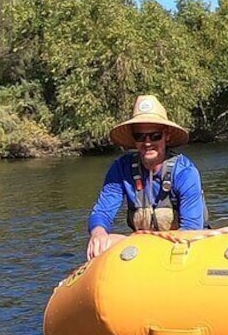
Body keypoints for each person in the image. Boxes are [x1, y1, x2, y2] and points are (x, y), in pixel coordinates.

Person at [86, 94, 208, 260]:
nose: (148, 142)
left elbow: (191, 229)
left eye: (155, 135)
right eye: (140, 136)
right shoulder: (120, 168)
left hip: (183, 249)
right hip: (143, 250)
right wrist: (98, 233)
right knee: (103, 243)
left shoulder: (185, 172)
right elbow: (102, 212)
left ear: (167, 136)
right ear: (134, 140)